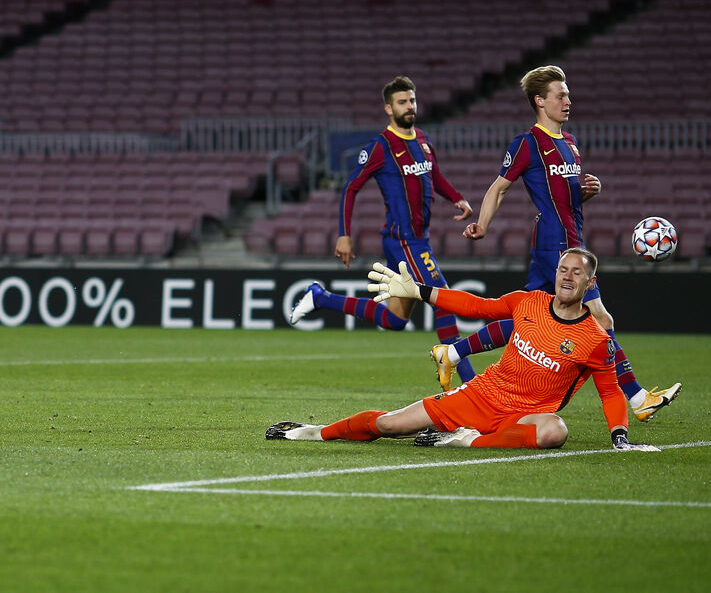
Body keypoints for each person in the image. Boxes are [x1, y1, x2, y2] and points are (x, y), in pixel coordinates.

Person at [432, 65, 680, 421]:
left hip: (570, 237)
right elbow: (499, 187)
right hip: (555, 241)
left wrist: (586, 192)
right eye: (560, 95)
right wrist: (482, 225)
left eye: (568, 95)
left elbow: (566, 198)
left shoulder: (571, 144)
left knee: (528, 319)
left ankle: (452, 354)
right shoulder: (528, 143)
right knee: (601, 319)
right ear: (540, 101)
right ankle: (638, 397)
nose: (568, 101)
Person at [267, 249, 659, 451]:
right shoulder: (529, 301)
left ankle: (466, 440)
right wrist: (419, 292)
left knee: (555, 431)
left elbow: (610, 390)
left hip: (525, 415)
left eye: (577, 272)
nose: (567, 277)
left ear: (591, 282)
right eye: (562, 269)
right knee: (389, 426)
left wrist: (620, 436)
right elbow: (475, 306)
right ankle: (315, 432)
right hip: (481, 395)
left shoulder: (595, 338)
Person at [289, 76, 476, 389]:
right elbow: (351, 188)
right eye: (402, 102)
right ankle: (470, 384)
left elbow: (435, 177)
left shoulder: (423, 139)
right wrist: (344, 234)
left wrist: (457, 197)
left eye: (412, 100)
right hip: (403, 240)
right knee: (444, 300)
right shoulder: (380, 147)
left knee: (395, 320)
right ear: (389, 108)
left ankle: (321, 297)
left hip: (418, 240)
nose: (409, 106)